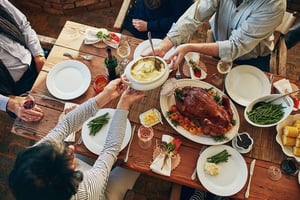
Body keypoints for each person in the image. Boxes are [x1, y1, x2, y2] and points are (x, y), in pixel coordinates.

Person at [8, 78, 146, 200]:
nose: (72, 147)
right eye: (69, 160)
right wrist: (124, 105)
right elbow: (110, 150)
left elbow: (65, 125)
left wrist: (105, 95)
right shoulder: (86, 190)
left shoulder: (35, 160)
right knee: (135, 165)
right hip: (98, 195)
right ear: (71, 182)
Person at [144, 0, 286, 72]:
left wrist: (189, 47)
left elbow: (236, 46)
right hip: (217, 45)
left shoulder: (274, 5)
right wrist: (165, 44)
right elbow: (196, 14)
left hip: (252, 59)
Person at [0, 0, 45, 121]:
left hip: (34, 60)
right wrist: (10, 103)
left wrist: (38, 56)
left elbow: (24, 26)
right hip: (15, 90)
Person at [122, 0, 194, 40]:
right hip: (139, 18)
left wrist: (149, 26)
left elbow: (178, 21)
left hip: (162, 29)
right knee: (123, 43)